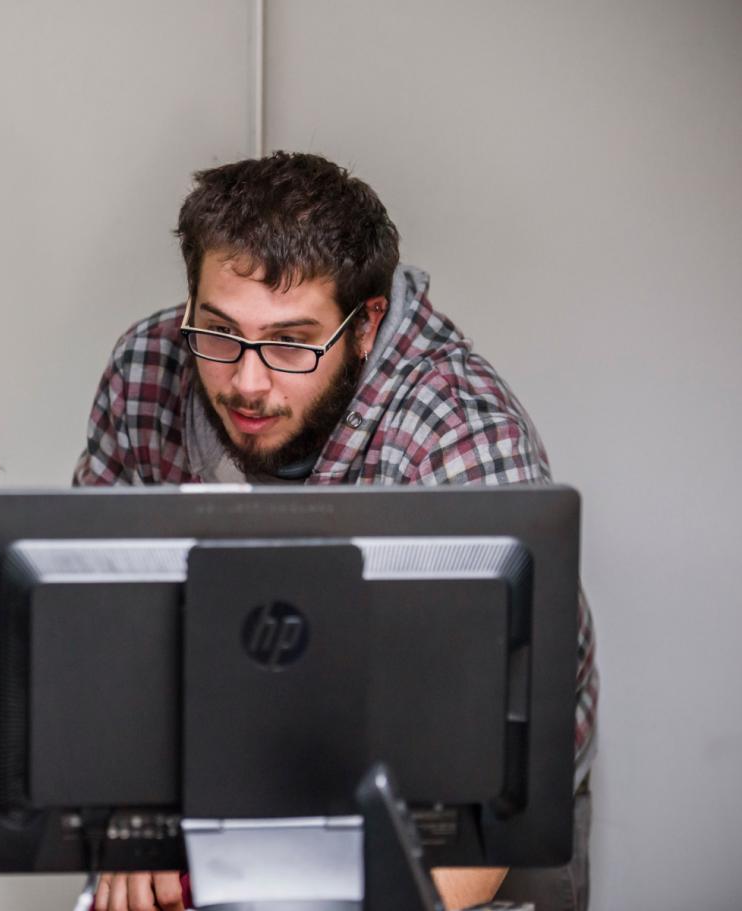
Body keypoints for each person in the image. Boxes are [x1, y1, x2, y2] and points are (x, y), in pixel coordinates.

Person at [74, 152, 597, 911]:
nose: (248, 381)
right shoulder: (147, 367)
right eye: (218, 331)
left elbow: (499, 777)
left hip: (459, 791)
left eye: (292, 343)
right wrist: (132, 804)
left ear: (366, 324)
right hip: (227, 757)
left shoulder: (455, 431)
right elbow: (102, 618)